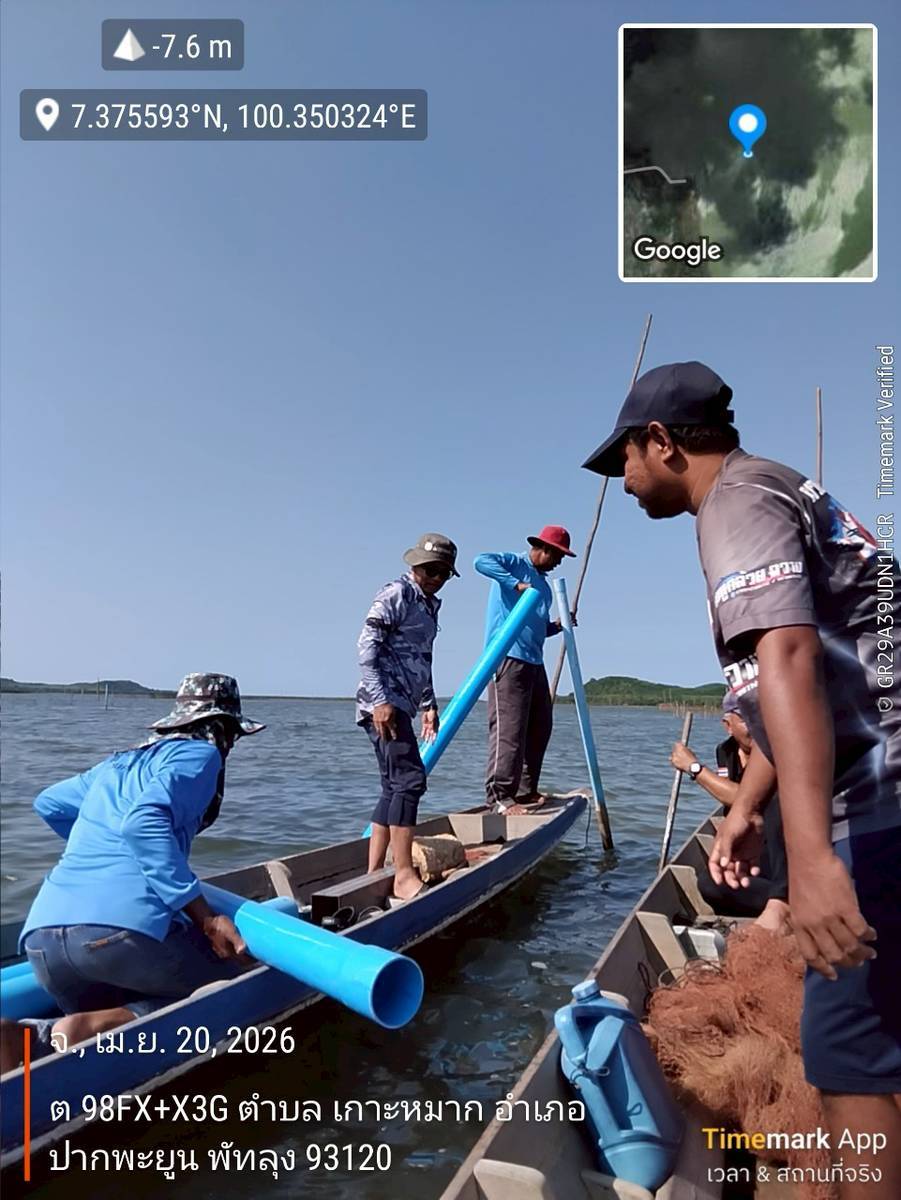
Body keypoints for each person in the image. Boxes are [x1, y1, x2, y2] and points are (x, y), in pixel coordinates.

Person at [583, 359, 901, 1200]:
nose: (622, 479)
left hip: (880, 799)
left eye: (624, 457)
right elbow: (789, 687)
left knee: (845, 1054)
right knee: (867, 1036)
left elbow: (789, 655)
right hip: (878, 792)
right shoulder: (776, 488)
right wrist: (745, 808)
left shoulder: (734, 502)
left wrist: (813, 862)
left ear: (662, 441)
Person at [7, 674, 264, 1064]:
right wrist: (208, 919)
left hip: (43, 941)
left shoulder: (117, 764)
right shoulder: (200, 754)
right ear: (223, 728)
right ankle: (100, 1026)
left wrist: (105, 847)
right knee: (234, 981)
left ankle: (37, 1035)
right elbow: (142, 823)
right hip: (120, 937)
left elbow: (49, 803)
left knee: (111, 999)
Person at [357, 533, 458, 901]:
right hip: (385, 704)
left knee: (394, 785)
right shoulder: (396, 594)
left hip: (405, 703)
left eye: (443, 573)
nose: (435, 578)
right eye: (429, 570)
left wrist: (429, 704)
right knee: (410, 781)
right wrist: (380, 701)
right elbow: (366, 647)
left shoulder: (428, 605)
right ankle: (402, 874)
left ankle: (373, 873)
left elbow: (423, 658)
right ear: (414, 565)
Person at [474, 526, 575, 815]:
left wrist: (558, 626)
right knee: (510, 729)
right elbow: (480, 561)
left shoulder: (543, 586)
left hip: (534, 661)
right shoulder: (515, 563)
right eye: (557, 556)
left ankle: (525, 790)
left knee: (541, 726)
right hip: (507, 657)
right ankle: (499, 797)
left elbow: (537, 628)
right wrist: (515, 584)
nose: (558, 563)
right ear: (543, 549)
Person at [670, 693, 789, 931]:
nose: (756, 726)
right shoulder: (725, 752)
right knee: (710, 884)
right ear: (728, 725)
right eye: (747, 719)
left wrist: (695, 768)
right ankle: (781, 901)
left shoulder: (776, 751)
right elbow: (733, 798)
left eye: (760, 718)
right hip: (751, 852)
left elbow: (746, 800)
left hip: (780, 851)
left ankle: (787, 902)